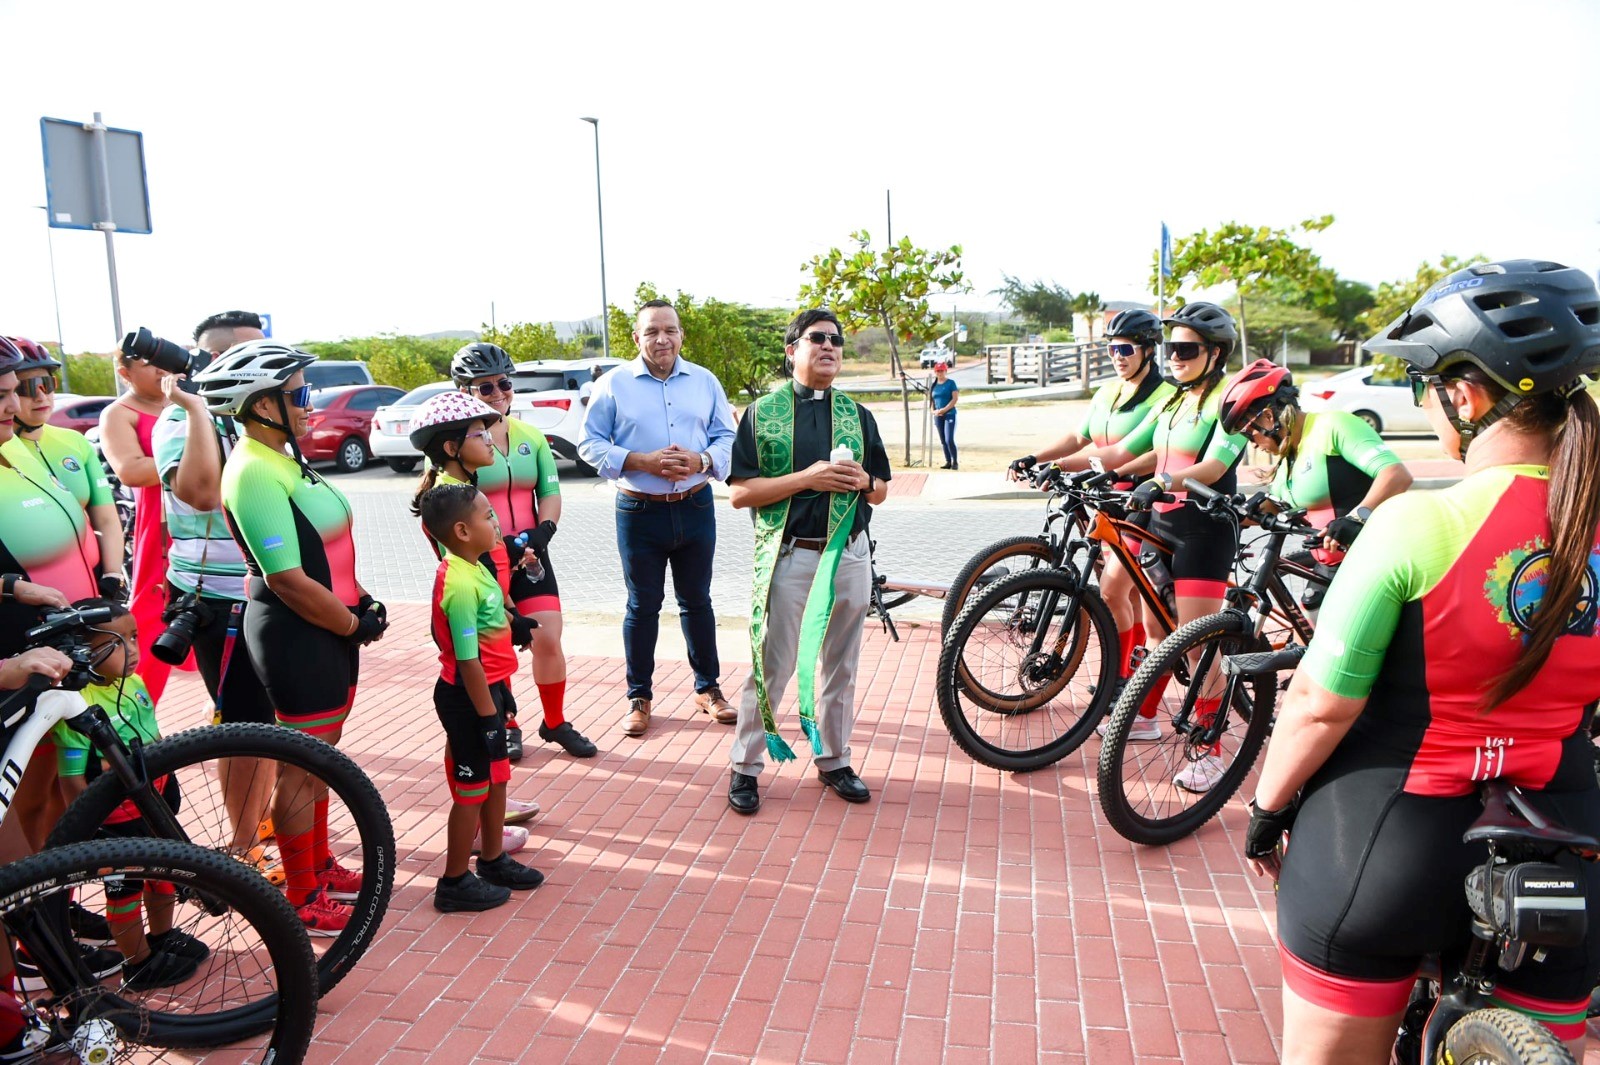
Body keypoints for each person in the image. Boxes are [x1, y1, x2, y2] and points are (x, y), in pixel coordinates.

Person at [1246, 260, 1600, 1064]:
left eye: (1424, 384)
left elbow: (1317, 704)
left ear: (1466, 396)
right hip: (1564, 842)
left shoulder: (1415, 524)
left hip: (1383, 845)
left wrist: (1266, 810)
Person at [196, 341, 389, 936]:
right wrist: (352, 624)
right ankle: (302, 897)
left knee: (322, 762)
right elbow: (287, 578)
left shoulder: (285, 458)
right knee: (300, 771)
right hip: (299, 630)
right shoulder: (253, 469)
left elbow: (324, 554)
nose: (310, 403)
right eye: (299, 393)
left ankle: (320, 864)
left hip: (328, 626)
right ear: (260, 405)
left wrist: (359, 607)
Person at [1053, 302, 1249, 784]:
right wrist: (1076, 469)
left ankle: (1211, 750)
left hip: (1203, 527)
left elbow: (1214, 468)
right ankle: (1144, 717)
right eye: (1172, 348)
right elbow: (1127, 451)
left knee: (1197, 644)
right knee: (1158, 632)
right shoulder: (1173, 399)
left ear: (1216, 352)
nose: (1175, 357)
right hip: (1160, 523)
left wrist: (1163, 483)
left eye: (1186, 349)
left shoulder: (1227, 399)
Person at [725, 308, 892, 814]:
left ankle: (835, 760)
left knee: (842, 662)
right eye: (817, 339)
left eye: (836, 341)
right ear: (791, 349)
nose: (829, 348)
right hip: (792, 556)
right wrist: (808, 478)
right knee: (773, 662)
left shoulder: (858, 416)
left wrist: (864, 482)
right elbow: (740, 493)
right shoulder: (763, 414)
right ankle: (746, 766)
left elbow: (882, 488)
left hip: (849, 555)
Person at [578, 301, 739, 737]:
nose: (662, 339)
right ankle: (639, 696)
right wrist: (640, 461)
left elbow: (728, 437)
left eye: (670, 330)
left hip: (696, 506)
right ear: (637, 338)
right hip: (638, 512)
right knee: (642, 606)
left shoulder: (704, 382)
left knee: (697, 601)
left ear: (681, 334)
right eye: (651, 332)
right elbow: (588, 444)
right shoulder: (614, 384)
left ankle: (709, 689)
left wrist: (701, 459)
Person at [151, 310, 277, 859]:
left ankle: (266, 824)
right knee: (244, 730)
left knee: (271, 723)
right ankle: (244, 848)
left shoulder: (257, 418)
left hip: (268, 591)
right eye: (250, 353)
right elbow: (200, 493)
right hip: (218, 600)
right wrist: (198, 408)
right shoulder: (180, 422)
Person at [50, 599, 213, 990]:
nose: (134, 648)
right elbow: (72, 779)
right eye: (118, 641)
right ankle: (137, 962)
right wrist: (92, 827)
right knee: (125, 890)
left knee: (163, 873)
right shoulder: (76, 706)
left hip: (154, 799)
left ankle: (161, 939)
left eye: (135, 636)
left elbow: (151, 738)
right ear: (82, 653)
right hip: (115, 816)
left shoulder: (134, 684)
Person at [1009, 308, 1175, 690]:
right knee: (1123, 595)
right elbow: (1078, 436)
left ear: (1149, 351)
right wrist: (1036, 457)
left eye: (1126, 349)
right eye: (1112, 349)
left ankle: (1121, 678)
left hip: (1141, 502)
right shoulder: (1108, 391)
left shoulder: (1166, 398)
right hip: (1103, 498)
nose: (1117, 356)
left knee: (1115, 588)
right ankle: (1131, 672)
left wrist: (1064, 465)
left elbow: (1121, 452)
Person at [407, 389, 546, 840]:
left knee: (481, 721)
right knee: (469, 727)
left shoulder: (462, 489)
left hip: (491, 619)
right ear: (451, 449)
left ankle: (489, 806)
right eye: (479, 434)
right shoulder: (452, 499)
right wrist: (509, 616)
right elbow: (477, 570)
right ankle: (479, 817)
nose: (490, 441)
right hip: (479, 628)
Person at [445, 343, 596, 759]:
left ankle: (555, 721)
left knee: (547, 637)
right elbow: (447, 511)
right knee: (495, 644)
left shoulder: (531, 437)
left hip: (531, 553)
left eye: (504, 383)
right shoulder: (459, 444)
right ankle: (506, 723)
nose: (498, 393)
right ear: (465, 391)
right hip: (482, 560)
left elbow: (549, 491)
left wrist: (543, 531)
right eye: (485, 387)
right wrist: (500, 547)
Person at [420, 483, 547, 912]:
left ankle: (493, 859)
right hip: (467, 697)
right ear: (461, 530)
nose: (496, 523)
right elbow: (468, 660)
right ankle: (454, 881)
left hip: (489, 692)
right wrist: (488, 714)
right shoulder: (457, 582)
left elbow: (493, 626)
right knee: (471, 789)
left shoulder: (476, 566)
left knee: (498, 780)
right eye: (487, 516)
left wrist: (516, 627)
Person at [0, 338, 102, 853]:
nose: (14, 405)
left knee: (46, 801)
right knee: (17, 845)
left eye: (14, 392)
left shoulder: (27, 452)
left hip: (37, 646)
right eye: (3, 394)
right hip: (14, 661)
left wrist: (17, 586)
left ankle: (50, 914)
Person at [1217, 359, 1413, 602]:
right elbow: (1280, 508)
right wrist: (1233, 512)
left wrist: (1356, 517)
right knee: (1311, 609)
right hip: (1328, 567)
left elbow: (1396, 474)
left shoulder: (1334, 425)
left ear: (1268, 417)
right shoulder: (1288, 456)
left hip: (1371, 562)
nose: (1252, 443)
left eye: (1249, 432)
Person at [2, 337, 126, 601]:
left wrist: (113, 574)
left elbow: (105, 516)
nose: (40, 395)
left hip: (92, 580)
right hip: (35, 599)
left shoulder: (74, 441)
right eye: (26, 388)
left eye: (47, 384)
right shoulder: (8, 449)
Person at [100, 339, 187, 704]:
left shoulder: (186, 403)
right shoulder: (119, 414)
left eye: (165, 361)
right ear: (125, 372)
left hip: (207, 524)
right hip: (159, 528)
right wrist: (194, 459)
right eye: (150, 363)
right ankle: (137, 714)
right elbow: (131, 471)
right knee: (152, 619)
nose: (161, 370)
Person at [931, 361, 959, 469]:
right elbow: (932, 402)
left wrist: (945, 409)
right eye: (938, 371)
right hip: (938, 415)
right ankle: (948, 461)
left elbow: (954, 399)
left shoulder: (951, 383)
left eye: (941, 370)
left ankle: (955, 461)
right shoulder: (934, 385)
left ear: (945, 371)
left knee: (949, 439)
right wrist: (934, 411)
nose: (940, 373)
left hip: (949, 413)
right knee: (943, 440)